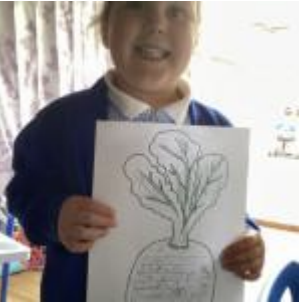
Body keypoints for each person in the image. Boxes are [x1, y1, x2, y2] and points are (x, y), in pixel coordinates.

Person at [5, 2, 265, 302]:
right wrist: (56, 216)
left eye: (177, 11)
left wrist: (248, 239)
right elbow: (23, 193)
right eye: (136, 5)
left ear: (196, 36)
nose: (156, 24)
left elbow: (232, 213)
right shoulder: (57, 124)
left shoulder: (220, 131)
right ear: (105, 29)